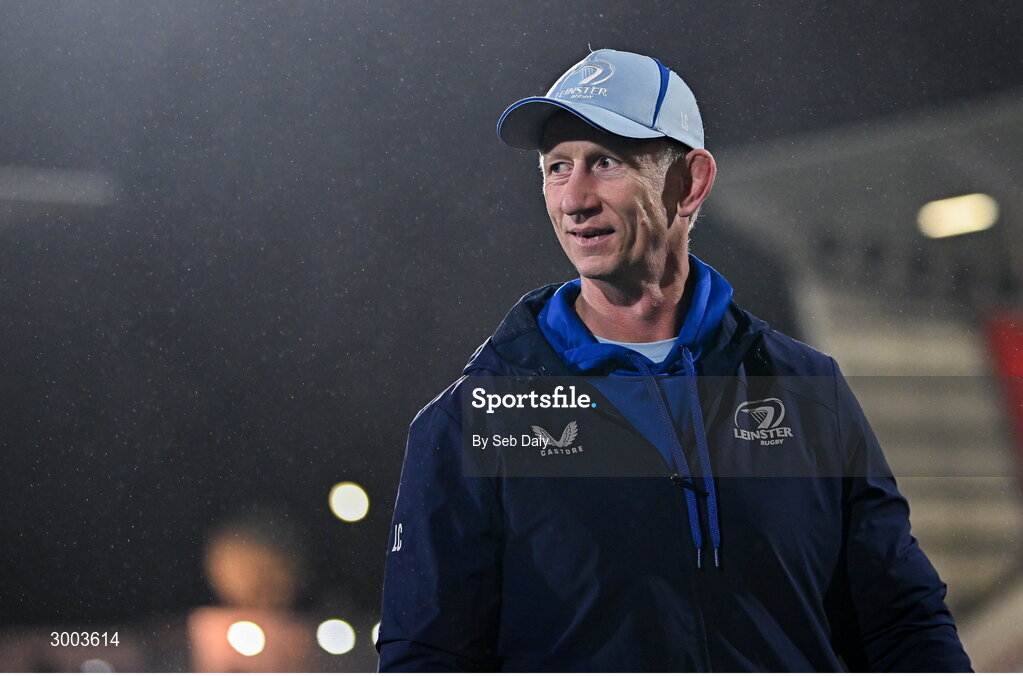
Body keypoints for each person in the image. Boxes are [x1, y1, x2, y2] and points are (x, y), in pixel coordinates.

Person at [375, 49, 972, 671]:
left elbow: (901, 622)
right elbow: (429, 657)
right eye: (556, 168)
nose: (574, 198)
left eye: (606, 162)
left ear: (691, 182)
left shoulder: (805, 388)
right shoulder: (476, 417)